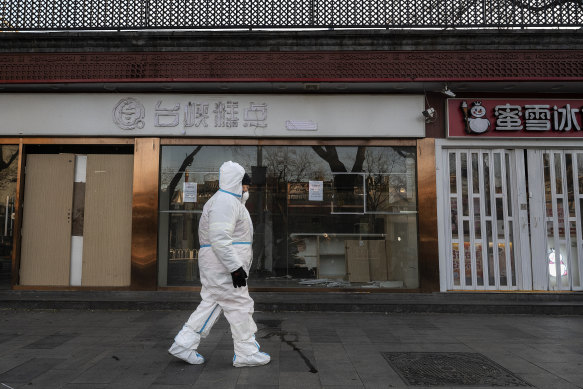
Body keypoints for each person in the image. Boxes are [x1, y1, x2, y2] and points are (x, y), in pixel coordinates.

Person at [168, 161, 270, 368]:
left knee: (213, 302)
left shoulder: (225, 201)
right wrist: (235, 268)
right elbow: (220, 238)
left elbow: (220, 237)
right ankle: (246, 352)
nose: (247, 188)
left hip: (218, 265)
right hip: (224, 267)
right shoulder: (226, 202)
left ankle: (184, 344)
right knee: (239, 305)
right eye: (245, 184)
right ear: (237, 183)